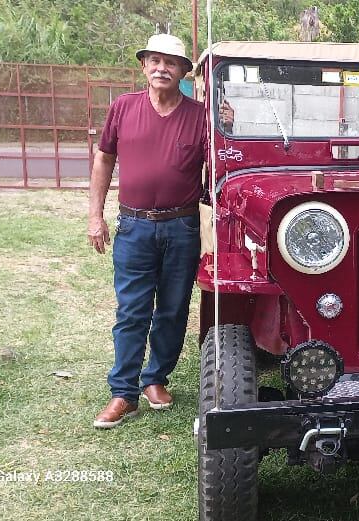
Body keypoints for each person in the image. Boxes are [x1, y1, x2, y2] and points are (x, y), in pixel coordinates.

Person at [87, 33, 206, 429]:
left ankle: (156, 378)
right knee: (132, 311)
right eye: (155, 61)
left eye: (171, 63)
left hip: (183, 226)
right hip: (134, 226)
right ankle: (123, 393)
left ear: (184, 72)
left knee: (173, 310)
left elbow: (221, 168)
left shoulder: (202, 116)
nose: (162, 68)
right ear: (143, 66)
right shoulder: (123, 108)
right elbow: (103, 160)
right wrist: (95, 215)